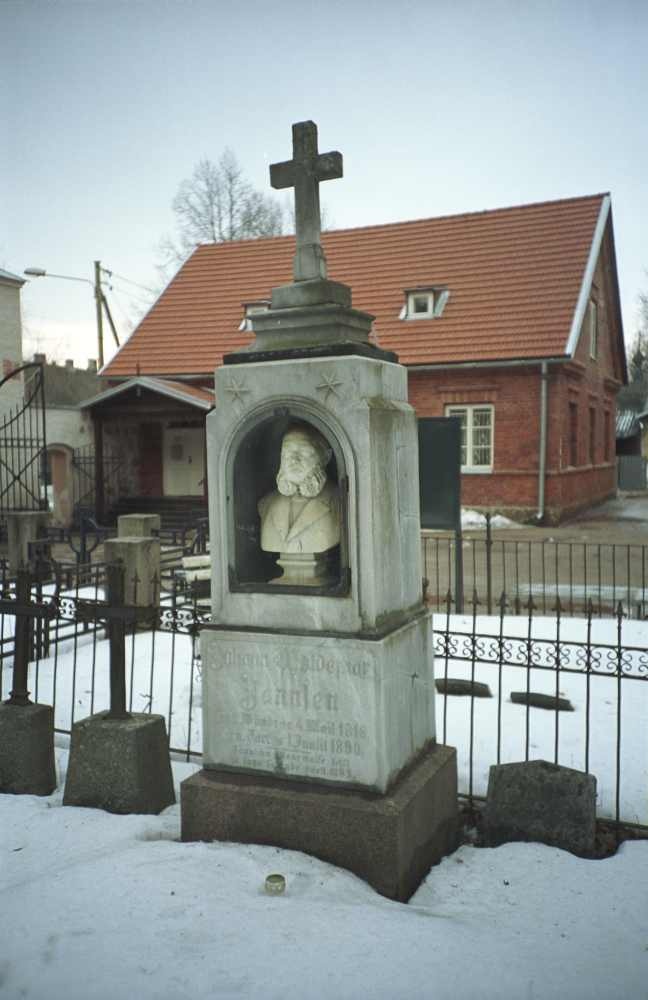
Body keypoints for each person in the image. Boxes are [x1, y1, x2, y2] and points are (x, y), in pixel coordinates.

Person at [258, 424, 340, 556]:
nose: (294, 460)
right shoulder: (266, 503)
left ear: (325, 457)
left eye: (304, 451)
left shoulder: (339, 501)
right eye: (287, 452)